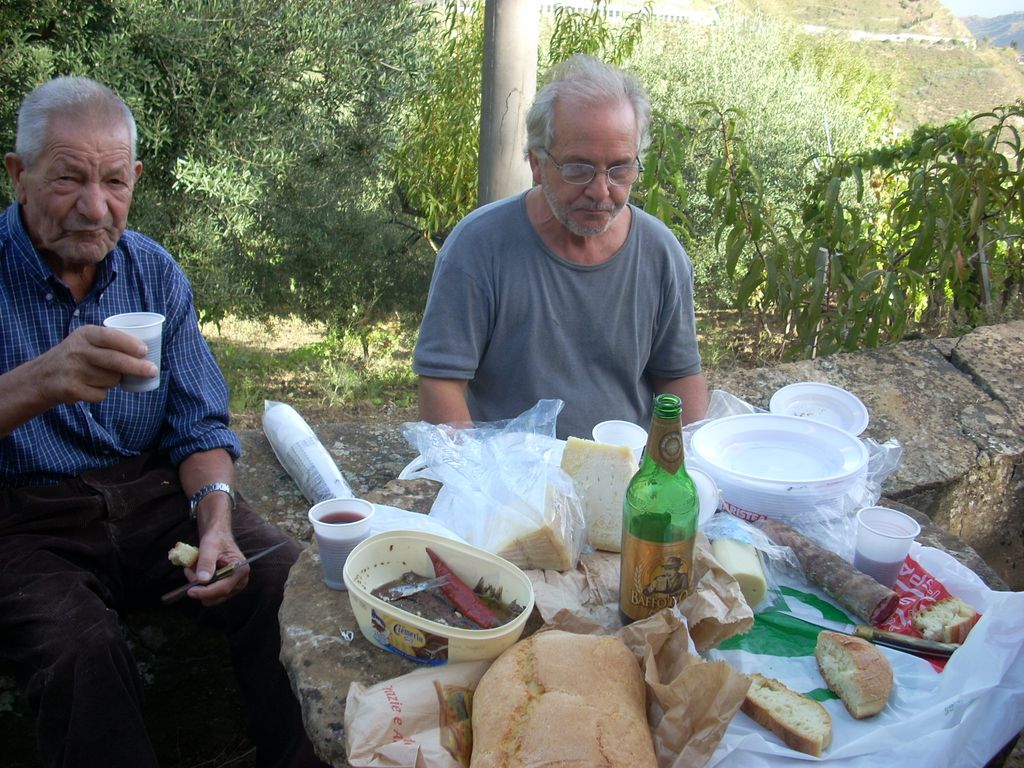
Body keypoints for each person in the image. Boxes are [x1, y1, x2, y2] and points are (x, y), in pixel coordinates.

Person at [0, 77, 325, 768]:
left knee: (280, 577)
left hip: (152, 498)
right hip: (23, 519)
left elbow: (199, 427)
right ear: (18, 175)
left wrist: (216, 524)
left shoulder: (153, 272)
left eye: (114, 181)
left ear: (135, 180)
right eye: (68, 179)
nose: (95, 207)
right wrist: (39, 383)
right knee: (80, 649)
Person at [413, 54, 710, 439]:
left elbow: (679, 377)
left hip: (626, 466)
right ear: (537, 163)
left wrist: (677, 463)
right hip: (510, 470)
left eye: (620, 169)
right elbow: (441, 383)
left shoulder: (660, 253)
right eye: (578, 169)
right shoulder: (478, 247)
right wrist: (472, 469)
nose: (601, 191)